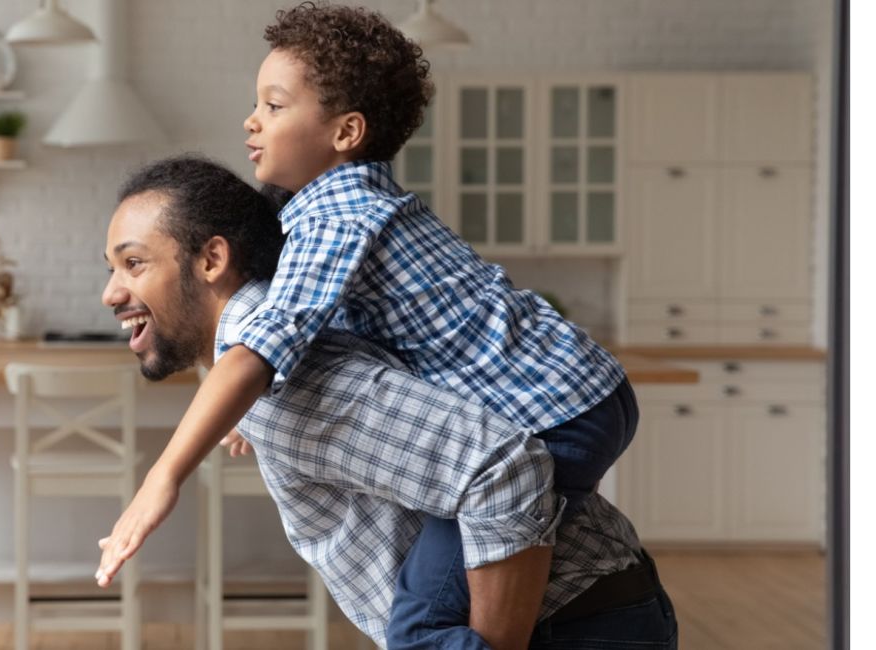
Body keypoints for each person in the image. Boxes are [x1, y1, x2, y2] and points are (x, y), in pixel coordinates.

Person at [98, 5, 638, 648]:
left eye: (273, 106)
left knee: (419, 622)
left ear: (346, 132)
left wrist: (162, 479)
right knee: (425, 609)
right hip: (573, 393)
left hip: (558, 406)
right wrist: (238, 406)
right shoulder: (330, 216)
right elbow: (300, 335)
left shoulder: (338, 216)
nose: (251, 120)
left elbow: (265, 349)